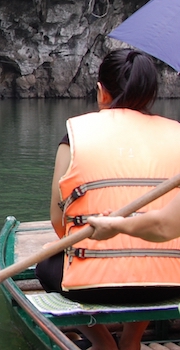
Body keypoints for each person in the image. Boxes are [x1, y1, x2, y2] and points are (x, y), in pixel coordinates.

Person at [35, 49, 180, 350]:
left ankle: (103, 343)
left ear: (101, 92)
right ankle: (132, 340)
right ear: (151, 93)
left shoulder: (74, 136)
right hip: (168, 282)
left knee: (45, 264)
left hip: (92, 285)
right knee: (147, 263)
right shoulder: (177, 134)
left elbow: (57, 221)